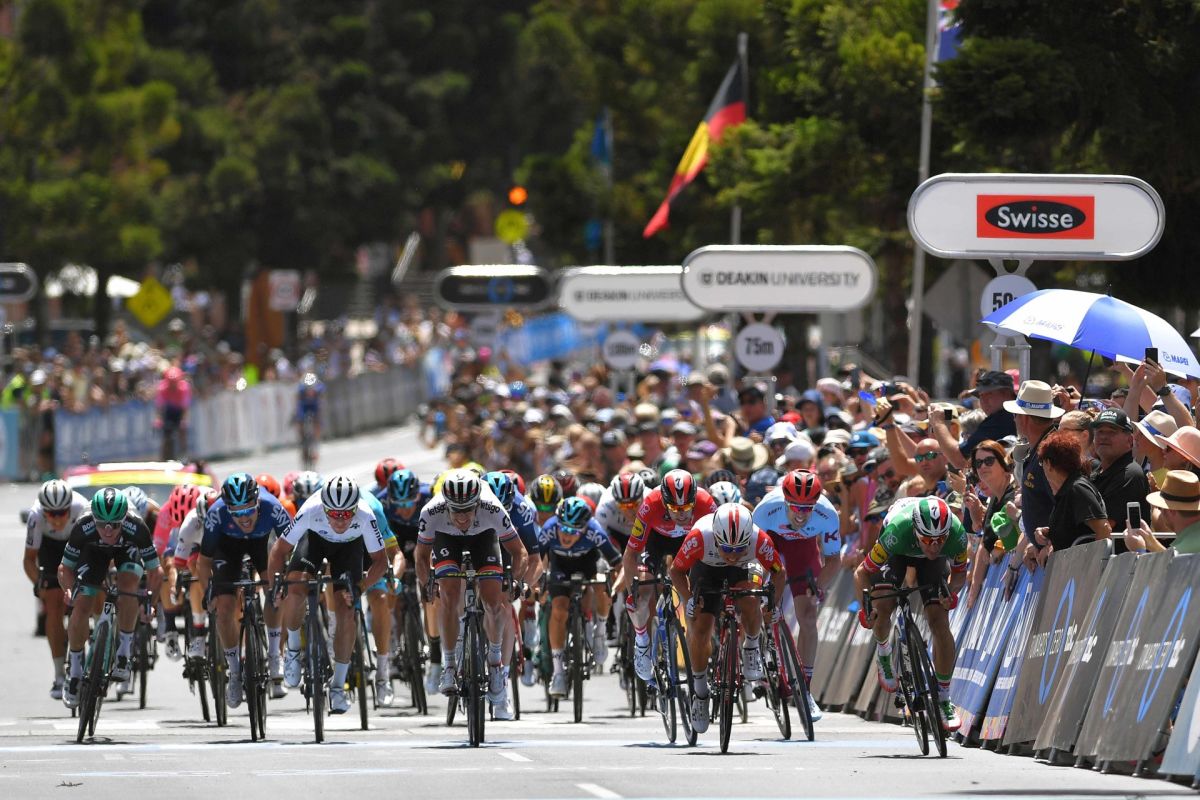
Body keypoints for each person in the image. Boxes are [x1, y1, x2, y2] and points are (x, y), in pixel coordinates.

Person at [269, 475, 389, 715]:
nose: (340, 520)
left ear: (355, 508)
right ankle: (293, 649)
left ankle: (337, 687)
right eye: (334, 513)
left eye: (346, 514)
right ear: (324, 508)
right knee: (296, 588)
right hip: (314, 542)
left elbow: (380, 562)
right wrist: (276, 587)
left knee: (346, 610)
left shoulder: (365, 515)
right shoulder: (311, 509)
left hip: (349, 549)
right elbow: (278, 551)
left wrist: (360, 588)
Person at [413, 470, 527, 721]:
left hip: (484, 539)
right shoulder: (431, 511)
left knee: (494, 602)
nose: (462, 517)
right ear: (446, 505)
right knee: (449, 595)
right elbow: (421, 556)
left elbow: (520, 553)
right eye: (456, 511)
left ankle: (495, 666)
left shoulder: (492, 508)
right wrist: (426, 583)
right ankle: (449, 665)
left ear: (477, 503)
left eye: (467, 510)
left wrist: (515, 580)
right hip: (447, 541)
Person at [669, 502, 785, 735]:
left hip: (745, 568)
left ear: (748, 539)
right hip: (707, 570)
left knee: (751, 599)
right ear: (716, 537)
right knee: (700, 628)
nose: (732, 555)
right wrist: (689, 598)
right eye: (727, 549)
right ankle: (700, 693)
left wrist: (771, 603)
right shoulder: (699, 537)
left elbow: (778, 572)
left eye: (739, 548)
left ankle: (751, 645)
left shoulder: (759, 540)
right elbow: (676, 571)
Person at [855, 496, 968, 732]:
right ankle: (884, 652)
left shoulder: (957, 534)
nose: (934, 546)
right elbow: (861, 573)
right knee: (883, 607)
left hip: (932, 564)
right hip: (898, 552)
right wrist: (866, 608)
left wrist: (951, 592)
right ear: (917, 530)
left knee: (939, 621)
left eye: (940, 540)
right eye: (927, 540)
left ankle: (944, 698)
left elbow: (959, 575)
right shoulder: (897, 532)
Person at [59, 489, 164, 708]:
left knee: (128, 586)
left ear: (124, 519)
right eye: (102, 524)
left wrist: (150, 603)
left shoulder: (136, 527)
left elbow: (156, 572)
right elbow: (64, 568)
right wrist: (69, 590)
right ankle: (75, 672)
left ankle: (124, 653)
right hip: (92, 552)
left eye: (115, 525)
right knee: (82, 603)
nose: (108, 530)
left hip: (126, 550)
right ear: (94, 519)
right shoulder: (83, 526)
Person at [198, 473, 293, 708]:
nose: (244, 518)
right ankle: (234, 672)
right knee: (224, 609)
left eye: (249, 510)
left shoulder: (272, 506)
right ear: (227, 507)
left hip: (262, 545)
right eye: (237, 512)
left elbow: (293, 547)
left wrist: (285, 580)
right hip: (228, 549)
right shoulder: (216, 513)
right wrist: (208, 590)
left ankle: (274, 655)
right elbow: (204, 561)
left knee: (274, 592)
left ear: (258, 501)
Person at [751, 469, 839, 722]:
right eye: (795, 507)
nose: (801, 514)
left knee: (808, 615)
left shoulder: (827, 513)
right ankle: (755, 648)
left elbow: (834, 560)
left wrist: (818, 587)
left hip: (803, 548)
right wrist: (757, 588)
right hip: (770, 544)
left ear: (816, 503)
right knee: (755, 595)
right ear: (785, 501)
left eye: (807, 508)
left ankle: (805, 689)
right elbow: (751, 555)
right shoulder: (766, 509)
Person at [614, 469, 716, 681]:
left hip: (689, 541)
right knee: (642, 592)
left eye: (686, 507)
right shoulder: (650, 504)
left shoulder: (706, 503)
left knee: (697, 599)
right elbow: (630, 554)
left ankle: (699, 662)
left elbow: (715, 545)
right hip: (656, 541)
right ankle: (642, 642)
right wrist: (634, 593)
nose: (681, 514)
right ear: (664, 501)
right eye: (674, 508)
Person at [540, 497, 622, 698]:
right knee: (559, 609)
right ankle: (558, 673)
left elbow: (618, 563)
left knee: (602, 584)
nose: (567, 535)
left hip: (588, 563)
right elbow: (535, 561)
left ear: (585, 529)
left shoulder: (595, 531)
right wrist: (536, 586)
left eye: (574, 531)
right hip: (560, 565)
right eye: (563, 529)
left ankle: (600, 632)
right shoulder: (549, 529)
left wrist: (616, 586)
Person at [23, 479, 89, 699]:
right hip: (50, 548)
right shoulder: (35, 516)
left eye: (62, 513)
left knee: (88, 594)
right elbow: (29, 560)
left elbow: (96, 550)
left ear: (70, 508)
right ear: (44, 511)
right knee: (53, 604)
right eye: (52, 514)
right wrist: (39, 584)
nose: (58, 518)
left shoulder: (82, 509)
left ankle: (96, 646)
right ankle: (60, 674)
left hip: (78, 544)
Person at [1024, 431, 1110, 569]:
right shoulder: (1067, 490)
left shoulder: (1077, 488)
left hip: (1080, 572)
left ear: (1048, 464)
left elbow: (1103, 529)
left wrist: (1093, 567)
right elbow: (1074, 528)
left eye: (1041, 463)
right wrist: (1050, 533)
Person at [1007, 381, 1064, 573]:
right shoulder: (1041, 449)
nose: (1014, 420)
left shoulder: (1052, 452)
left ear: (1024, 418)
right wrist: (1034, 543)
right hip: (1046, 557)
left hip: (1057, 559)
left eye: (1015, 415)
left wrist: (1052, 543)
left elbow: (1066, 502)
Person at [929, 370, 1016, 469]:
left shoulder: (1001, 418)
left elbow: (959, 460)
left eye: (989, 394)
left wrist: (939, 423)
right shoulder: (1007, 415)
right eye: (981, 396)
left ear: (1007, 393)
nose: (984, 400)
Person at [1088, 409, 1149, 535]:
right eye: (1099, 431)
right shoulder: (1094, 470)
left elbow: (1105, 526)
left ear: (1130, 440)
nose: (1104, 437)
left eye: (1112, 432)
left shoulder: (1130, 474)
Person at [155, 366, 191, 460]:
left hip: (179, 410)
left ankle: (184, 454)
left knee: (182, 432)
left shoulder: (184, 388)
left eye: (174, 382)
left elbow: (185, 406)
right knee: (166, 434)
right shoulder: (162, 388)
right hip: (169, 410)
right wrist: (158, 419)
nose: (172, 385)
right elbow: (160, 406)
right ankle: (164, 457)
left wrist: (184, 419)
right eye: (171, 383)